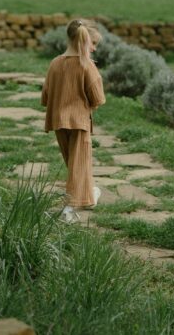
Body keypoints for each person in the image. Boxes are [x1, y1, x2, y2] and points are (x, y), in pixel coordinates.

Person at [41, 19, 106, 223]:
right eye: (93, 44)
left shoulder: (55, 63)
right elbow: (98, 98)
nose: (94, 49)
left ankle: (88, 194)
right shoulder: (86, 66)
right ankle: (68, 209)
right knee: (79, 165)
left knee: (75, 164)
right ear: (83, 41)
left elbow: (45, 96)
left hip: (58, 120)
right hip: (79, 122)